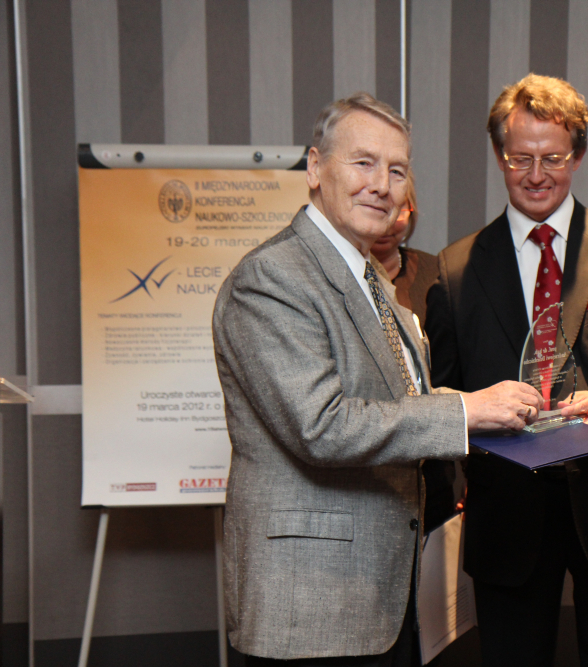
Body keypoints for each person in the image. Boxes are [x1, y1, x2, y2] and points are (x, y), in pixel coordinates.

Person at [212, 92, 543, 666]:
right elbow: (322, 427)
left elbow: (400, 399)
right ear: (315, 168)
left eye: (396, 170)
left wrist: (485, 406)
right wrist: (466, 413)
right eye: (363, 163)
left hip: (380, 594)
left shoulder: (368, 275)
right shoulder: (272, 278)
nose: (382, 186)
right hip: (310, 604)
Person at [425, 74, 588, 667]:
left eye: (553, 158)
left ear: (579, 155)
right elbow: (443, 400)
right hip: (506, 513)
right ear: (499, 155)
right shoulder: (455, 270)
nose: (536, 174)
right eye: (520, 158)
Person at [370, 173, 454, 533]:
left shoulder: (438, 274)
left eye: (400, 210)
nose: (389, 222)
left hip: (433, 461)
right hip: (369, 457)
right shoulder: (341, 280)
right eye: (380, 208)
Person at [370, 173, 439, 325]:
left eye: (398, 210)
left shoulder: (435, 275)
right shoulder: (332, 274)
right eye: (376, 209)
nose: (387, 224)